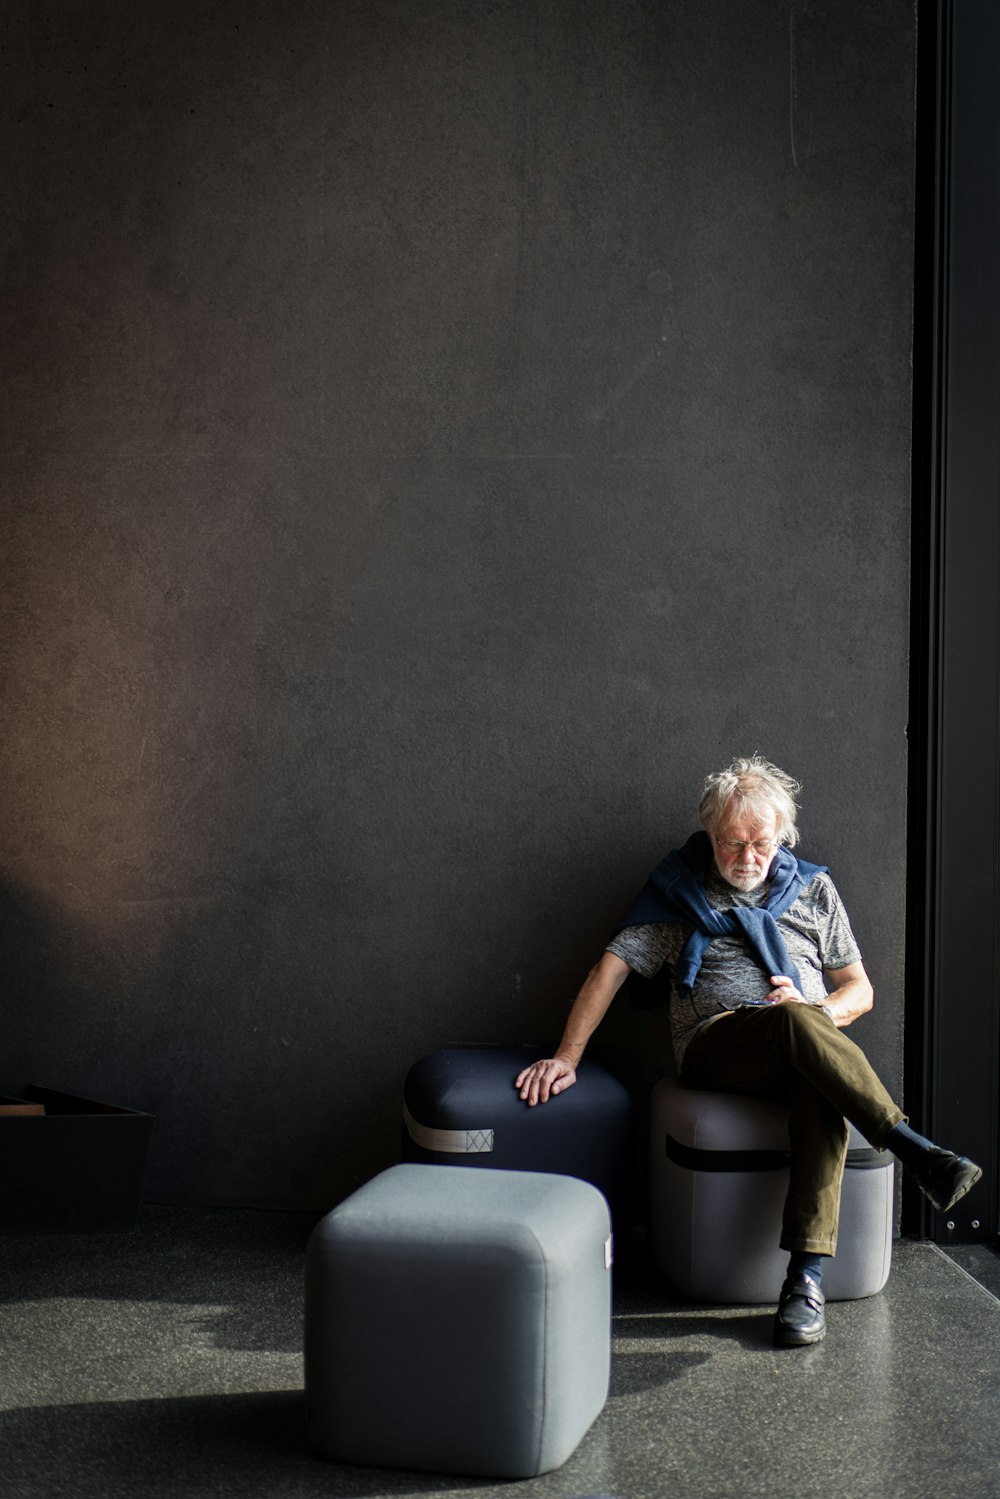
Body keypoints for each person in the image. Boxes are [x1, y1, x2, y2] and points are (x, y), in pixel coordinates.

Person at [515, 756, 982, 1348]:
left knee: (818, 1088)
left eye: (760, 843)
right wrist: (567, 1057)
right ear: (710, 835)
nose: (746, 857)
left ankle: (804, 1282)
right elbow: (608, 973)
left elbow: (858, 989)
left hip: (806, 1043)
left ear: (781, 838)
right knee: (790, 1023)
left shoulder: (814, 889)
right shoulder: (679, 892)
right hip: (717, 1046)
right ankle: (915, 1149)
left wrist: (816, 1013)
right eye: (732, 843)